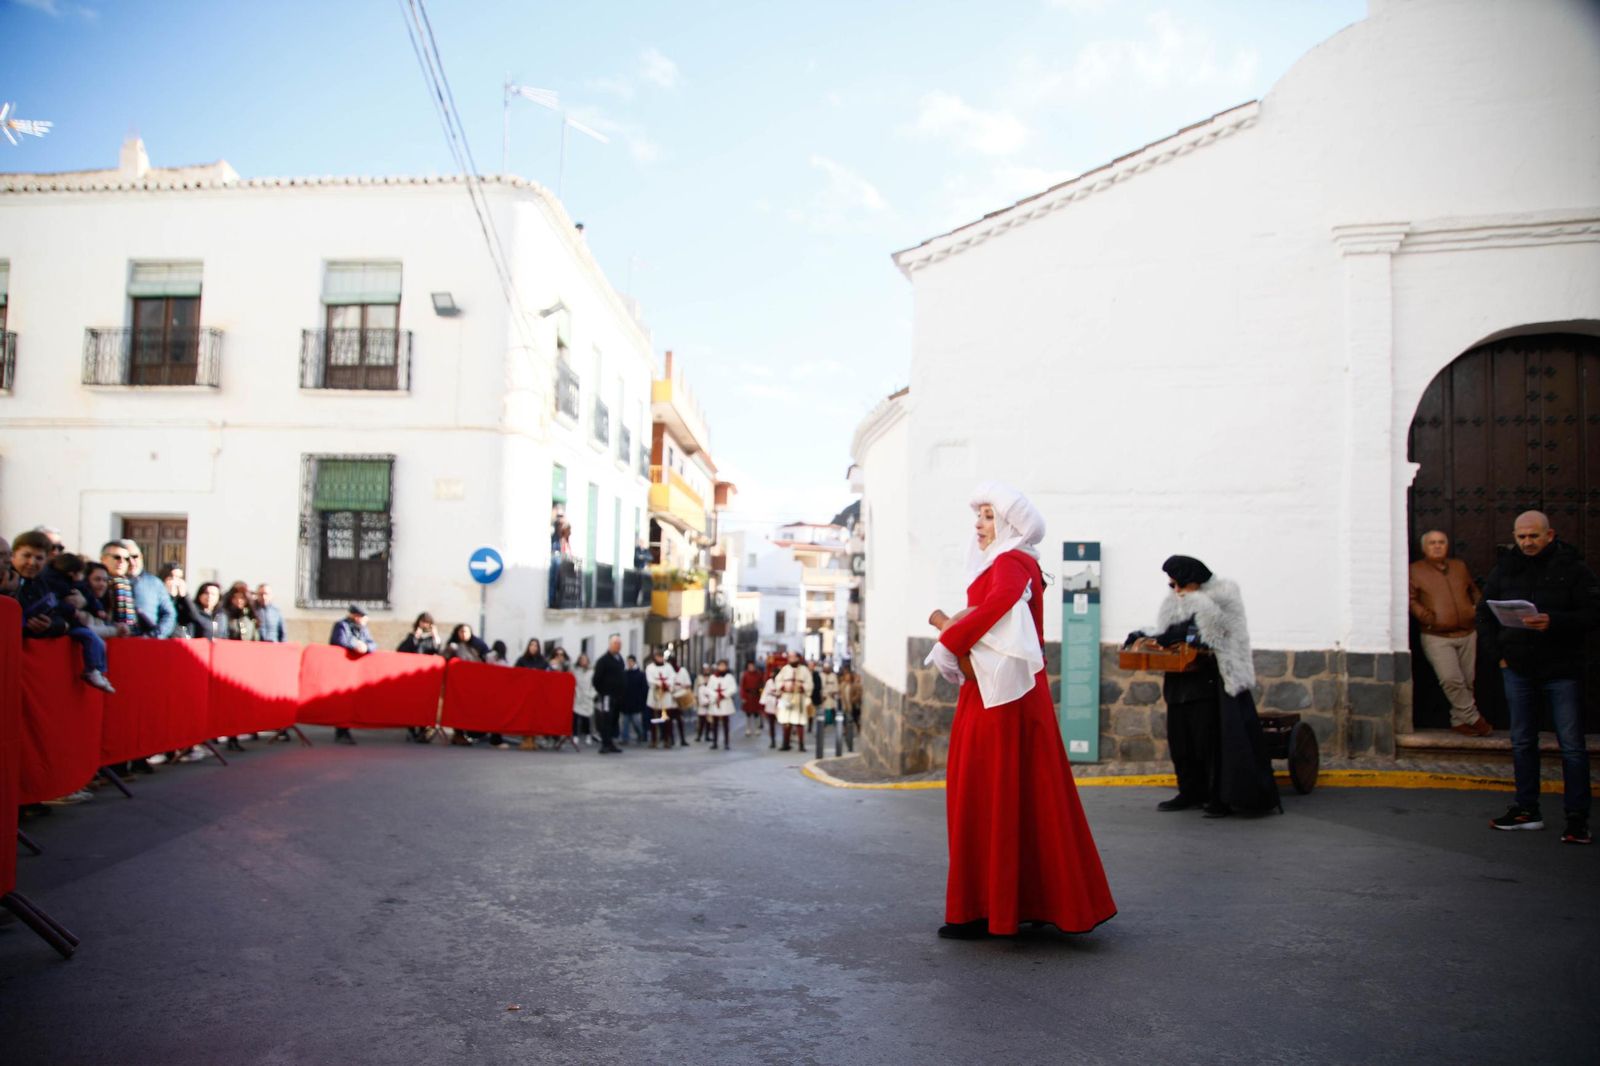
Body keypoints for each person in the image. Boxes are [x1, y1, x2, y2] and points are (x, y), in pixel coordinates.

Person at [925, 481, 1116, 940]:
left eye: (989, 516)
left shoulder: (1012, 560)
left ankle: (985, 908)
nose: (979, 524)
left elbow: (1000, 602)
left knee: (986, 790)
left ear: (1010, 523)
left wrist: (949, 639)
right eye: (979, 515)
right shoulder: (1012, 561)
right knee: (1012, 793)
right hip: (1003, 691)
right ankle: (1009, 902)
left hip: (1002, 697)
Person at [1126, 554, 1281, 819]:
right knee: (1181, 741)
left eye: (1179, 585)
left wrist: (1182, 627)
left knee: (1208, 743)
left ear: (1194, 582)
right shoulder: (1179, 600)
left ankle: (1218, 796)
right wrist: (1144, 635)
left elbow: (1216, 633)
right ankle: (1189, 791)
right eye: (1171, 586)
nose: (1175, 591)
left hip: (1209, 684)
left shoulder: (1222, 596)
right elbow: (1169, 630)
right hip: (1179, 681)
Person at [1477, 510, 1599, 844]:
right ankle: (1526, 810)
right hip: (1517, 669)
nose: (1527, 542)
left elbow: (1592, 613)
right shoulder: (1505, 569)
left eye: (1533, 536)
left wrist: (1554, 621)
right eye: (1521, 536)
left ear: (1549, 534)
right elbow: (1484, 614)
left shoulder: (1573, 569)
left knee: (1572, 747)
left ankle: (1577, 819)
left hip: (1562, 671)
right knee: (1522, 742)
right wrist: (1498, 656)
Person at [1409, 530, 1490, 736]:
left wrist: (1475, 609)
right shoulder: (1415, 570)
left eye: (1441, 542)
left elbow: (1472, 590)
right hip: (1437, 637)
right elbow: (1411, 599)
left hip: (1467, 632)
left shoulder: (1459, 566)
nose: (1437, 546)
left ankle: (1459, 721)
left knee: (1467, 681)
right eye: (1432, 543)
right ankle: (1474, 718)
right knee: (1451, 679)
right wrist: (1427, 618)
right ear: (1424, 547)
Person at [328, 604, 375, 744]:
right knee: (341, 699)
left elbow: (373, 644)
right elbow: (340, 640)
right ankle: (341, 730)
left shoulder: (363, 628)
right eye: (363, 617)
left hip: (356, 672)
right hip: (342, 669)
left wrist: (366, 647)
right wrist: (356, 645)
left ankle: (346, 728)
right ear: (356, 616)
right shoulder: (341, 625)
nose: (365, 621)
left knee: (352, 699)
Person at [119, 539, 177, 638]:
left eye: (135, 556)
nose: (132, 562)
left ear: (141, 557)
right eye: (127, 558)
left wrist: (156, 634)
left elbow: (169, 614)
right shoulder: (109, 582)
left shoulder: (155, 583)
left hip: (149, 642)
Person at [591, 634, 626, 754]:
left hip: (618, 696)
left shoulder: (620, 659)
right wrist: (603, 691)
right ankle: (604, 744)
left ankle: (611, 742)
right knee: (606, 719)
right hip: (607, 696)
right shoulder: (603, 660)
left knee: (614, 720)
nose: (618, 646)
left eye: (619, 644)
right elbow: (596, 679)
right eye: (616, 644)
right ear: (610, 645)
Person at [774, 651, 813, 752]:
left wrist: (802, 687)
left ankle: (801, 745)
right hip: (786, 697)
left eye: (793, 657)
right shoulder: (785, 669)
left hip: (799, 697)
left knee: (799, 722)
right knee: (786, 721)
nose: (791, 659)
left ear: (798, 658)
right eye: (790, 657)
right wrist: (783, 687)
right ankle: (785, 744)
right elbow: (778, 681)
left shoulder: (804, 670)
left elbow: (809, 683)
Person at [99, 541, 140, 634]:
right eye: (117, 557)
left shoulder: (130, 583)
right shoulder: (95, 581)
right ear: (103, 559)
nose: (121, 562)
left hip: (128, 636)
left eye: (126, 559)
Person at [644, 648, 677, 749]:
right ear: (655, 657)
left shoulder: (668, 667)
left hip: (665, 696)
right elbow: (650, 679)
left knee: (666, 719)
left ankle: (667, 740)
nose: (660, 658)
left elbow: (672, 677)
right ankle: (654, 740)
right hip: (655, 695)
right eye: (658, 657)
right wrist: (659, 684)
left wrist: (666, 685)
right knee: (654, 719)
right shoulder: (650, 667)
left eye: (661, 657)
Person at [704, 660, 737, 750]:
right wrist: (715, 695)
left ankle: (726, 742)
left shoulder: (729, 677)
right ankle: (715, 742)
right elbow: (708, 689)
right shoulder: (713, 677)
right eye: (720, 666)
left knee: (726, 723)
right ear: (718, 667)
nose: (722, 667)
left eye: (723, 666)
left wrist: (724, 694)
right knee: (715, 723)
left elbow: (733, 688)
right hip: (715, 702)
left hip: (725, 702)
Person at [621, 654, 649, 745]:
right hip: (625, 702)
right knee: (625, 722)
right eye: (628, 662)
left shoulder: (640, 675)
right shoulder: (624, 674)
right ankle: (625, 738)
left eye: (631, 662)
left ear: (634, 662)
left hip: (636, 702)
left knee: (636, 721)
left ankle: (641, 734)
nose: (629, 663)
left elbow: (644, 689)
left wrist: (642, 701)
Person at [570, 652, 595, 747]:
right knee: (575, 717)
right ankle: (575, 735)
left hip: (587, 697)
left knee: (586, 718)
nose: (583, 661)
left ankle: (588, 735)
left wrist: (592, 694)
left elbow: (594, 683)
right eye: (581, 659)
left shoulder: (591, 671)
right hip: (578, 696)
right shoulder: (575, 670)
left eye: (585, 659)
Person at [740, 659, 765, 738]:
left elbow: (762, 685)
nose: (751, 668)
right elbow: (742, 687)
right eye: (749, 666)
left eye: (752, 666)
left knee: (756, 713)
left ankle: (757, 728)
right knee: (748, 714)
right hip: (748, 696)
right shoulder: (745, 675)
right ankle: (748, 729)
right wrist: (743, 697)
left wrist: (761, 695)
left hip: (756, 696)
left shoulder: (758, 674)